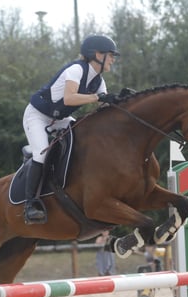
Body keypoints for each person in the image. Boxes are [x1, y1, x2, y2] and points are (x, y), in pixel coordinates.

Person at [21, 34, 121, 224]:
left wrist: (120, 101)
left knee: (82, 139)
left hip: (60, 118)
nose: (113, 59)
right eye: (110, 55)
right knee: (41, 154)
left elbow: (104, 106)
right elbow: (69, 98)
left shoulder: (98, 81)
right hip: (38, 115)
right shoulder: (76, 70)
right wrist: (98, 98)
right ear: (97, 55)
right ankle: (30, 205)